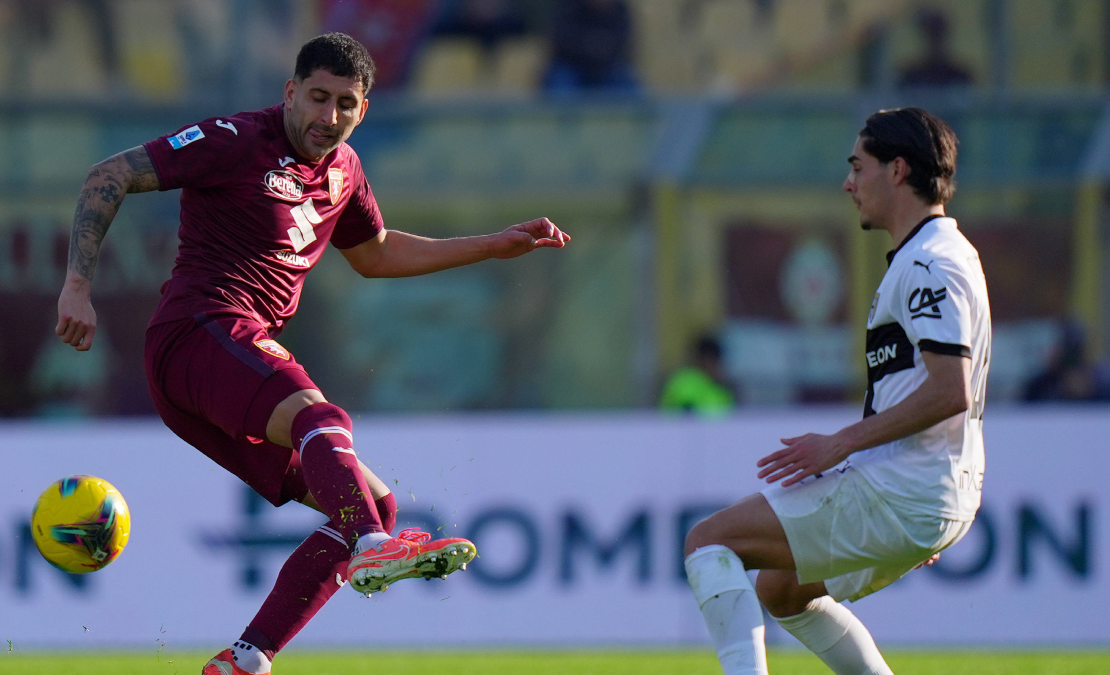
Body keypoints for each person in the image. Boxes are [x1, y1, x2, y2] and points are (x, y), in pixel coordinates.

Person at [54, 33, 569, 675]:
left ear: (364, 110)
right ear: (290, 92)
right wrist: (77, 285)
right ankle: (374, 549)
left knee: (371, 502)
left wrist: (492, 245)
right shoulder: (235, 140)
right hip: (198, 331)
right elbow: (110, 173)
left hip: (222, 365)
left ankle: (247, 657)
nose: (329, 117)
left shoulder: (345, 171)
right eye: (318, 98)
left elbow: (376, 253)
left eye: (345, 104)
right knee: (322, 422)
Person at [683, 108, 990, 675]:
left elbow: (952, 392)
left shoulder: (929, 263)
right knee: (781, 590)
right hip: (925, 490)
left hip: (907, 489)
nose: (849, 183)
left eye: (858, 166)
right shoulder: (938, 254)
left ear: (897, 170)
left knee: (707, 542)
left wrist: (840, 444)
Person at [659, 334, 735, 417]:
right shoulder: (685, 381)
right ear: (704, 360)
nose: (717, 366)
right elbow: (687, 416)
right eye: (713, 361)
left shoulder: (721, 388)